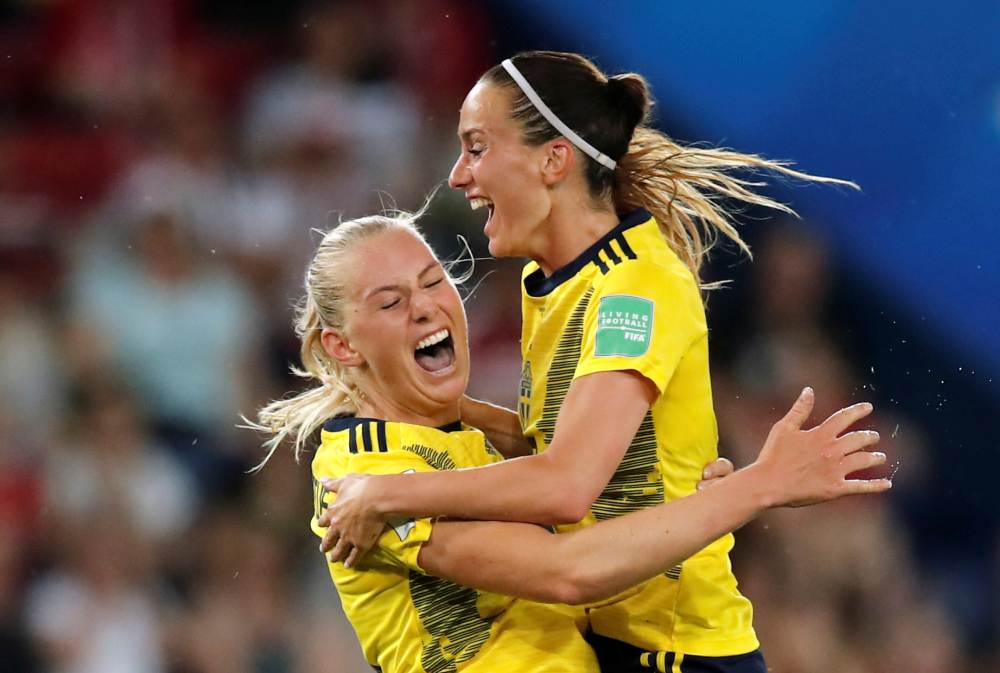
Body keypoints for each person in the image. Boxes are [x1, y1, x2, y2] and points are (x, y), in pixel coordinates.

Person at [318, 52, 883, 672]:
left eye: (477, 148)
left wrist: (390, 494)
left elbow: (565, 484)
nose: (457, 175)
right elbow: (555, 441)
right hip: (606, 638)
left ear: (553, 159)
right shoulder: (551, 280)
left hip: (672, 650)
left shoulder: (631, 292)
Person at [250, 210, 888, 673]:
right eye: (390, 303)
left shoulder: (459, 440)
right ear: (341, 345)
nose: (426, 308)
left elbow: (587, 512)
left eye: (434, 281)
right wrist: (757, 486)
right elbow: (570, 571)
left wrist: (691, 498)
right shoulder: (361, 478)